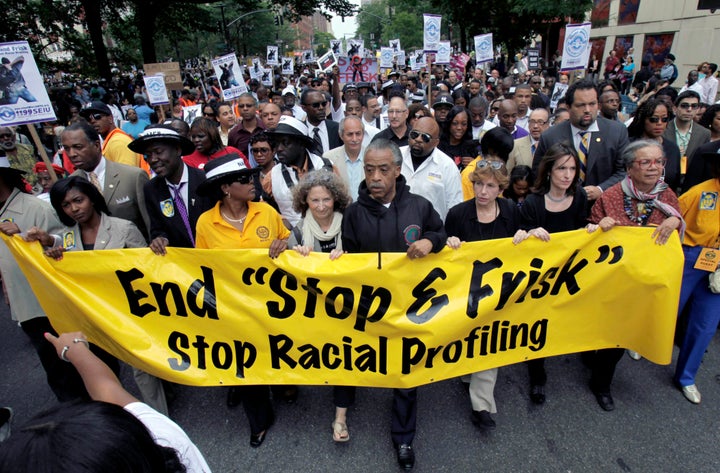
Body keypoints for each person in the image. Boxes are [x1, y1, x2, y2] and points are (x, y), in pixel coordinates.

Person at [342, 138, 447, 470]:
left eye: (383, 170)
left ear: (398, 170)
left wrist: (431, 240)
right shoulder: (354, 214)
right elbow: (347, 264)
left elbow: (440, 232)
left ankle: (403, 438)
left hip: (410, 309)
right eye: (369, 169)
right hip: (370, 310)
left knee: (406, 373)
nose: (375, 177)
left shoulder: (419, 205)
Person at [25, 176, 169, 413]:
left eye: (78, 200)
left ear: (92, 198)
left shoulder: (124, 228)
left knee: (143, 368)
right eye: (66, 205)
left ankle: (161, 423)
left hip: (130, 311)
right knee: (103, 369)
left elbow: (149, 272)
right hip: (93, 317)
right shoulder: (66, 237)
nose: (74, 209)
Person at [0, 331, 211, 472]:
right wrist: (76, 349)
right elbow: (107, 389)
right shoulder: (162, 438)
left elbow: (105, 387)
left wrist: (76, 352)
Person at [195, 153, 289, 447]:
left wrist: (283, 243)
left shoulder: (267, 212)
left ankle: (286, 383)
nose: (252, 182)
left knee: (279, 348)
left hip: (274, 304)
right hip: (232, 307)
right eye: (243, 179)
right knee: (246, 362)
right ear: (225, 188)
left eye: (250, 177)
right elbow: (201, 267)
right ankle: (259, 420)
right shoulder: (205, 224)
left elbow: (288, 239)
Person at [588, 140, 683, 407]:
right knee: (601, 329)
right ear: (630, 168)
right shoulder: (611, 196)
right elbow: (588, 235)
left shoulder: (668, 197)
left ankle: (601, 381)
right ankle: (596, 372)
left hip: (645, 282)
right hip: (612, 280)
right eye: (645, 162)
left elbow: (675, 237)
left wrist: (675, 220)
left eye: (658, 162)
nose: (653, 168)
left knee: (621, 336)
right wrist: (600, 226)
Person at [513, 143, 595, 407]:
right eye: (561, 168)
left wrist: (593, 228)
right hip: (540, 280)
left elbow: (581, 227)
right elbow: (518, 239)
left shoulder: (580, 196)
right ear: (549, 171)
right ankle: (537, 375)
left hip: (570, 273)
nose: (567, 174)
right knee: (539, 325)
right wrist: (529, 234)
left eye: (572, 168)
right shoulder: (534, 203)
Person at [446, 159, 520, 431]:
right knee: (467, 340)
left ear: (501, 188)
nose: (483, 191)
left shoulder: (512, 211)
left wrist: (527, 236)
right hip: (464, 292)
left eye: (490, 185)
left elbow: (525, 247)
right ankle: (467, 374)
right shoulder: (457, 213)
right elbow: (444, 256)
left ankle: (482, 406)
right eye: (478, 184)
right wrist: (449, 243)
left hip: (499, 294)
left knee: (489, 344)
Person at [287, 170, 351, 441]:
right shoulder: (299, 231)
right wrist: (296, 255)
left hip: (346, 309)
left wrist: (350, 256)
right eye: (315, 201)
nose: (322, 206)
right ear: (305, 202)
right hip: (312, 311)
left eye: (327, 199)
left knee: (347, 360)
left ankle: (340, 418)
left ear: (336, 199)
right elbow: (286, 273)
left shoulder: (350, 224)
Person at [673, 149, 720, 404]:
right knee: (670, 306)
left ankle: (687, 377)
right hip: (691, 255)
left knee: (706, 324)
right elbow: (673, 220)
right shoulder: (700, 192)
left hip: (719, 265)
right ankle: (643, 342)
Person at [533, 79, 629, 202]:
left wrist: (600, 189)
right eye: (581, 105)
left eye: (592, 104)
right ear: (568, 107)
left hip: (603, 207)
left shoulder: (616, 132)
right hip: (561, 207)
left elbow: (624, 172)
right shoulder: (550, 136)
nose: (587, 109)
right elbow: (538, 174)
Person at [129, 126, 214, 254]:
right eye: (148, 155)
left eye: (158, 152)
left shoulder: (205, 180)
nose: (153, 159)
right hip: (181, 266)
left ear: (177, 149)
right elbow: (157, 228)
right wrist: (160, 239)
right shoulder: (151, 189)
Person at [64, 121, 150, 239]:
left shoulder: (133, 177)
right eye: (67, 149)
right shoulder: (70, 185)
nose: (72, 154)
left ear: (96, 145)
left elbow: (152, 225)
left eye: (78, 147)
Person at [264, 116, 334, 227]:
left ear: (301, 144)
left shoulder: (326, 166)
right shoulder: (271, 177)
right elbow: (266, 209)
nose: (279, 148)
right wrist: (281, 221)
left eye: (285, 143)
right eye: (276, 144)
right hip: (293, 239)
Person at [400, 117, 463, 221]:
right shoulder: (395, 156)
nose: (418, 139)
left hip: (431, 232)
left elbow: (454, 206)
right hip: (396, 227)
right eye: (414, 134)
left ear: (436, 142)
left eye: (425, 137)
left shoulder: (447, 166)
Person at [627, 99, 681, 191]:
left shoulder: (673, 148)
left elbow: (675, 182)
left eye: (664, 119)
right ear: (643, 120)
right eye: (654, 119)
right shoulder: (628, 146)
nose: (659, 123)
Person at [80, 101, 148, 173]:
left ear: (110, 118)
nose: (92, 121)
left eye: (97, 116)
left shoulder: (118, 142)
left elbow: (127, 177)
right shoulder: (110, 140)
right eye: (88, 119)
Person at [438, 106, 477, 170]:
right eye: (455, 123)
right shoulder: (438, 146)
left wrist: (474, 164)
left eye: (464, 124)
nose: (459, 128)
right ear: (449, 124)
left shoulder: (472, 148)